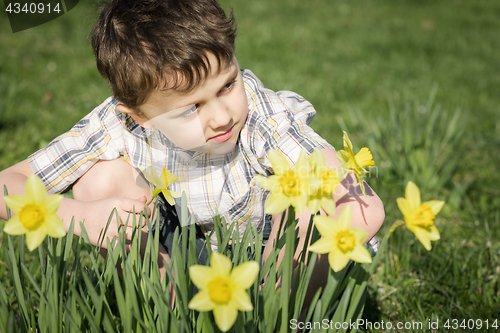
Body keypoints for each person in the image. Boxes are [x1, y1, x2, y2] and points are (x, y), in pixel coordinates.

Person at [0, 0, 384, 302]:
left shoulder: (262, 117)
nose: (222, 116)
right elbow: (7, 184)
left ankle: (280, 318)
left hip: (280, 263)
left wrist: (270, 290)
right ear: (138, 115)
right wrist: (79, 216)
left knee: (316, 200)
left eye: (227, 85)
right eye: (191, 108)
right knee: (98, 181)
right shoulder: (118, 124)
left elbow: (365, 206)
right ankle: (172, 311)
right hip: (191, 253)